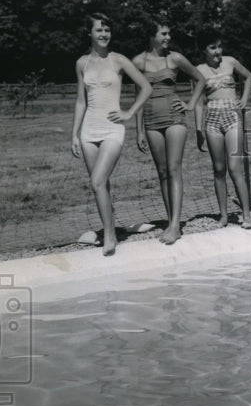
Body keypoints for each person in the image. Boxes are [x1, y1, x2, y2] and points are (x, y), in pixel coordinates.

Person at [71, 13, 152, 256]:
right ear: (90, 33)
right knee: (101, 184)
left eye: (107, 30)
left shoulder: (118, 60)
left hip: (113, 129)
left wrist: (129, 113)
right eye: (99, 30)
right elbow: (80, 101)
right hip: (88, 131)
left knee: (96, 181)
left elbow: (146, 87)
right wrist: (74, 134)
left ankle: (109, 235)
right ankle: (110, 228)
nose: (104, 34)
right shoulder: (81, 63)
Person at [133, 17, 206, 245]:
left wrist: (191, 104)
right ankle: (170, 220)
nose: (168, 37)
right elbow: (138, 98)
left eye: (168, 33)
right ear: (151, 36)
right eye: (163, 33)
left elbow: (200, 79)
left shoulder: (175, 58)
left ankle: (175, 226)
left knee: (174, 168)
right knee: (162, 172)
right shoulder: (137, 62)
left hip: (175, 118)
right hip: (151, 121)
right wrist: (139, 131)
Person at [192, 30, 251, 228]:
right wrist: (198, 130)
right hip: (211, 120)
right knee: (219, 169)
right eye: (212, 47)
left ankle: (247, 214)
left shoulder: (231, 62)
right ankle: (224, 216)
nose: (218, 51)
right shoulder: (198, 70)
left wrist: (244, 98)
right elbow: (199, 103)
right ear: (204, 50)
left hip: (232, 117)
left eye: (219, 46)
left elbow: (249, 76)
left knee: (235, 168)